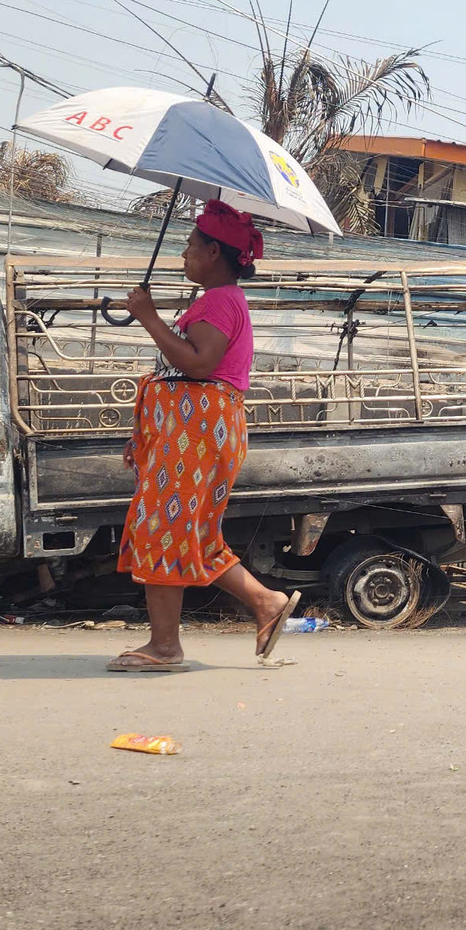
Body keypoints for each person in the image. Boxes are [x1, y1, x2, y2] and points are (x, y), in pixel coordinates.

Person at [109, 200, 299, 671]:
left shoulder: (220, 301)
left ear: (214, 252)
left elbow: (198, 364)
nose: (183, 254)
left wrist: (150, 317)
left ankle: (165, 648)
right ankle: (266, 603)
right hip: (191, 433)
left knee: (163, 528)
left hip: (198, 434)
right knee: (191, 534)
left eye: (190, 245)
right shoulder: (217, 300)